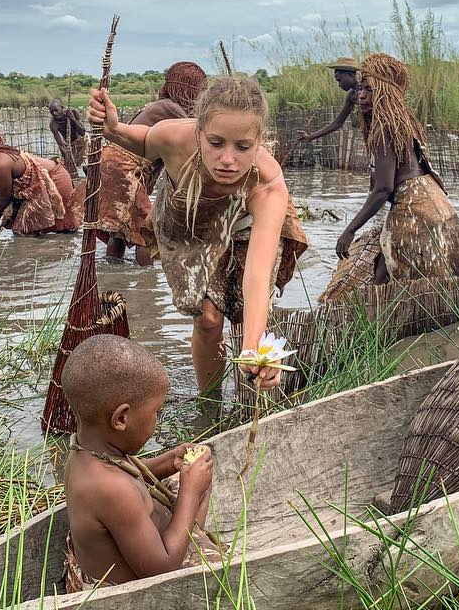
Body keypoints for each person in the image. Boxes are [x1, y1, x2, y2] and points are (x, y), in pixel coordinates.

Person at [88, 75, 308, 398]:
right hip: (188, 219)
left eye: (243, 147)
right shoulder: (174, 137)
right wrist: (113, 129)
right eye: (216, 143)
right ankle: (209, 403)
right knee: (207, 318)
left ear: (259, 142)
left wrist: (253, 347)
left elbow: (258, 275)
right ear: (199, 132)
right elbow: (145, 140)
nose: (228, 160)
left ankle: (247, 384)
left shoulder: (268, 184)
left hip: (245, 227)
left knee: (249, 315)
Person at [62, 335, 220, 590]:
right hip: (139, 583)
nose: (157, 419)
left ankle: (187, 529)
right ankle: (190, 536)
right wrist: (190, 493)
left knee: (192, 476)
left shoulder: (83, 450)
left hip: (137, 549)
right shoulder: (111, 489)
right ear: (121, 419)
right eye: (156, 412)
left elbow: (127, 473)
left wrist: (167, 461)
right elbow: (162, 569)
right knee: (195, 492)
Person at [326, 53, 459, 299]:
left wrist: (350, 230)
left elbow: (383, 189)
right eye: (360, 89)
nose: (361, 96)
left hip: (414, 207)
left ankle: (382, 314)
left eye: (369, 90)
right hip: (434, 200)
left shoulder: (383, 129)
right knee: (431, 272)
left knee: (410, 278)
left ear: (384, 93)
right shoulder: (401, 121)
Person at [70, 61, 208, 266]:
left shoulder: (161, 105)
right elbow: (196, 134)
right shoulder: (171, 109)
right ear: (189, 89)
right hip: (123, 167)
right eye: (200, 91)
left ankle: (115, 271)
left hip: (113, 164)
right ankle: (146, 279)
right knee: (145, 231)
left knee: (120, 231)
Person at [0, 118, 79, 236]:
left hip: (55, 181)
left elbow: (4, 199)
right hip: (36, 188)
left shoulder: (0, 164)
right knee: (24, 230)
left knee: (40, 231)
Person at [295, 56, 359, 145]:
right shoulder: (352, 96)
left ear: (351, 75)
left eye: (340, 80)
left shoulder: (372, 89)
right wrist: (310, 137)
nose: (339, 84)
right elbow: (337, 123)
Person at [48, 99, 88, 177]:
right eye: (51, 112)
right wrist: (67, 157)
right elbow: (61, 145)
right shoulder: (53, 124)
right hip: (70, 146)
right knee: (68, 168)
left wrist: (73, 119)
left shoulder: (73, 112)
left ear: (61, 107)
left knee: (86, 168)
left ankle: (89, 180)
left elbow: (82, 132)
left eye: (56, 110)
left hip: (82, 141)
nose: (54, 113)